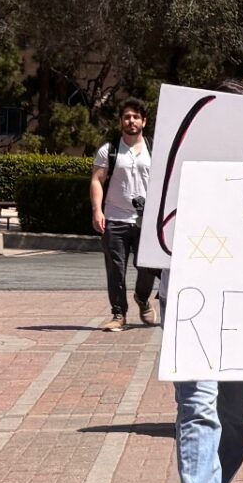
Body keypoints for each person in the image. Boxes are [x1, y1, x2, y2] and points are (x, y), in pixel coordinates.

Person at [90, 99, 157, 332]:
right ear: (121, 121)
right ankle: (119, 314)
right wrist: (97, 210)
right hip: (115, 218)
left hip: (146, 219)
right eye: (127, 117)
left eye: (136, 117)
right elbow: (97, 180)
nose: (131, 121)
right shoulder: (108, 150)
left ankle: (141, 296)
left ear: (144, 121)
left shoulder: (155, 149)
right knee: (116, 268)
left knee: (148, 266)